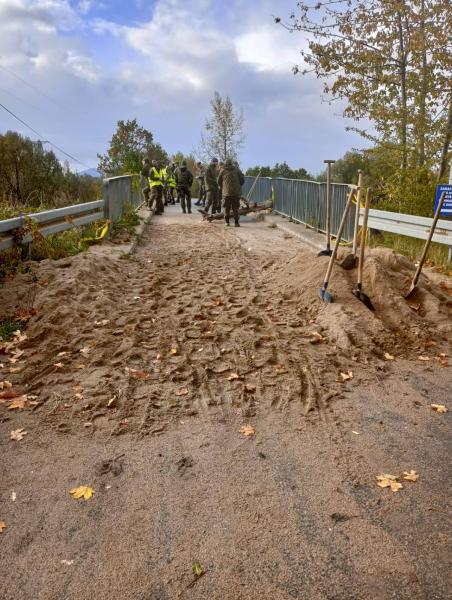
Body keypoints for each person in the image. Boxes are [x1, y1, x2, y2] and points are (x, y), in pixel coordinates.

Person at [218, 158, 245, 227]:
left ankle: (227, 222)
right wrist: (238, 186)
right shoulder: (237, 170)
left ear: (225, 164)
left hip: (226, 193)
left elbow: (219, 181)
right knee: (235, 208)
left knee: (226, 208)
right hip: (235, 193)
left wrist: (223, 187)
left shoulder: (222, 170)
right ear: (231, 163)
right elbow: (242, 179)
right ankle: (236, 222)